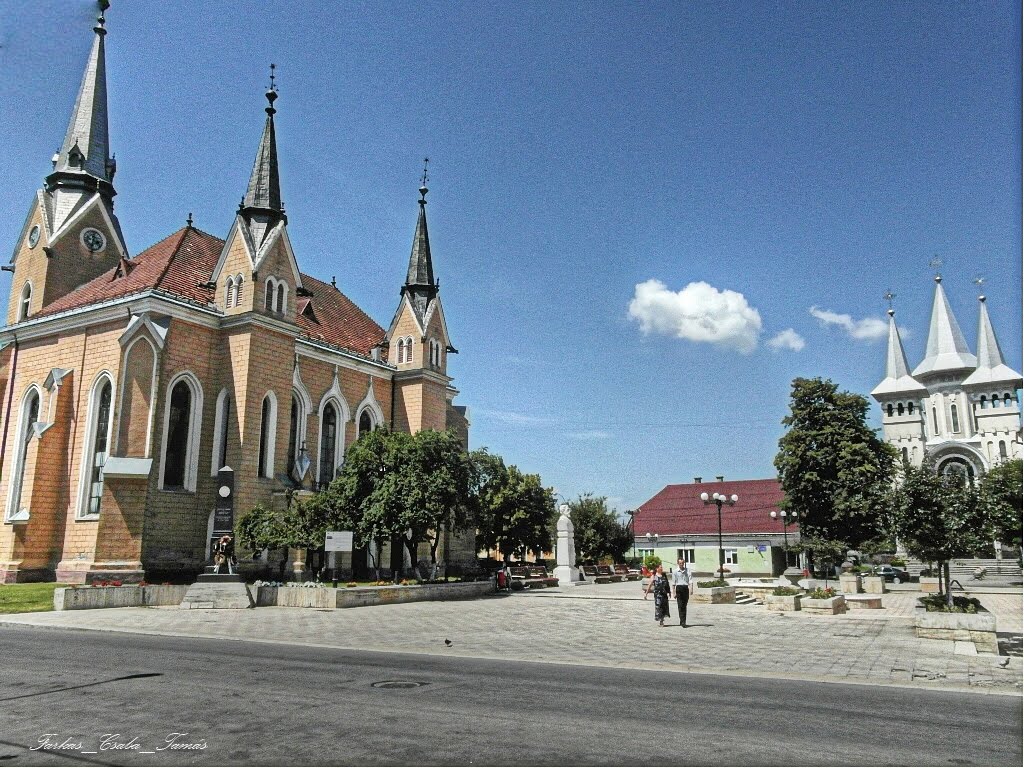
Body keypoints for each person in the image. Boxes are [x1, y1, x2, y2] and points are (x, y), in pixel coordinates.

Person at [672, 557, 694, 627]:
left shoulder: (688, 571)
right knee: (680, 605)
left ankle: (683, 620)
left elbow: (690, 581)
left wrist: (691, 589)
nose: (681, 564)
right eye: (680, 563)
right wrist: (674, 592)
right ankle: (682, 621)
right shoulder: (675, 571)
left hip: (685, 588)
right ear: (678, 563)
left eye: (682, 563)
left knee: (684, 605)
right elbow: (673, 583)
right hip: (679, 588)